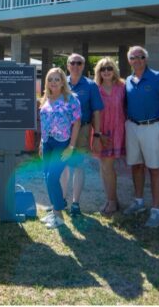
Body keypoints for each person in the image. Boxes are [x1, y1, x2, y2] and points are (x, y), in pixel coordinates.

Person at [123, 45, 159, 228]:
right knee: (136, 166)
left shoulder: (157, 77)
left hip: (153, 127)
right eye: (133, 57)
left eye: (141, 57)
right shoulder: (128, 80)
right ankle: (138, 202)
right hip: (132, 126)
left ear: (146, 59)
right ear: (129, 60)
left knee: (154, 168)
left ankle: (156, 210)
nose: (137, 60)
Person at [39, 67, 81, 229]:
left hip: (62, 143)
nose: (53, 82)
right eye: (50, 79)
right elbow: (43, 123)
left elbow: (77, 123)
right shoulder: (45, 99)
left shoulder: (71, 99)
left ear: (63, 81)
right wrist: (41, 143)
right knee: (47, 178)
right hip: (47, 143)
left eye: (57, 79)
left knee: (52, 177)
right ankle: (55, 211)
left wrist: (71, 146)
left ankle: (59, 215)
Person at [62, 53, 103, 215]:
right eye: (72, 62)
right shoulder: (60, 82)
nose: (75, 66)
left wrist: (97, 135)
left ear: (83, 66)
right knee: (63, 164)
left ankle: (76, 204)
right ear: (67, 65)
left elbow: (97, 112)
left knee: (78, 166)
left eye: (79, 63)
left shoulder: (91, 86)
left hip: (83, 129)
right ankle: (61, 200)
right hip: (62, 130)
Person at [93, 57, 126, 216]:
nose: (106, 71)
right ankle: (111, 199)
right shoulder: (96, 89)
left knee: (108, 166)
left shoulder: (122, 87)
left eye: (109, 68)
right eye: (102, 69)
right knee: (104, 166)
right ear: (98, 72)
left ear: (114, 70)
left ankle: (112, 201)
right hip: (101, 131)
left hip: (117, 130)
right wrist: (97, 135)